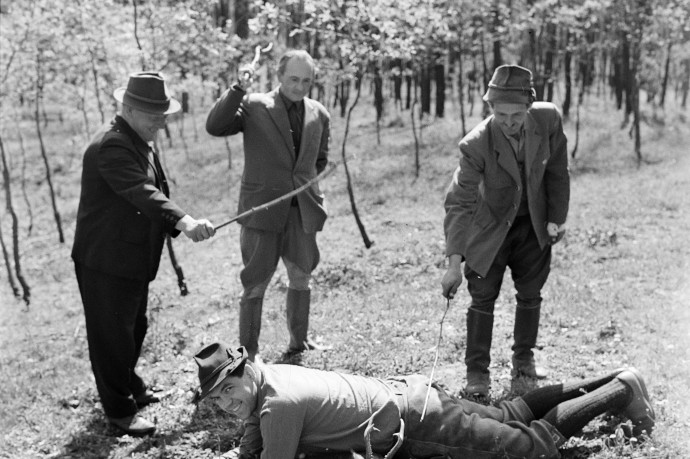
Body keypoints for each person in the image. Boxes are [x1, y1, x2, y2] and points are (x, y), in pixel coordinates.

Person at [193, 341, 655, 459]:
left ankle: (621, 390)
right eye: (217, 399)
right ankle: (614, 377)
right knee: (508, 413)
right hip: (408, 393)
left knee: (534, 447)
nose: (226, 403)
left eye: (229, 389)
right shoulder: (268, 378)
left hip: (416, 421)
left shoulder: (279, 406)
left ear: (247, 371)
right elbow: (253, 437)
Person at [72, 72, 216, 436]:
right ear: (129, 109)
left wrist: (178, 222)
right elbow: (140, 191)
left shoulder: (138, 139)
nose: (162, 124)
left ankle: (129, 386)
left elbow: (157, 187)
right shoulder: (112, 145)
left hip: (129, 258)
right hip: (105, 260)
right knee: (111, 336)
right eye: (155, 115)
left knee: (134, 327)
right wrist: (184, 221)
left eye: (164, 115)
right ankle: (119, 412)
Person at [441, 64, 570, 397]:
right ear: (490, 108)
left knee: (531, 293)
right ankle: (477, 374)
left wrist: (557, 217)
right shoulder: (475, 145)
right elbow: (459, 203)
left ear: (529, 107)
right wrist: (454, 263)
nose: (509, 122)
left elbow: (557, 171)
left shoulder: (548, 120)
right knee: (482, 298)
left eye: (517, 115)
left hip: (533, 225)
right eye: (501, 115)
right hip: (490, 231)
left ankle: (523, 359)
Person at [206, 50, 330, 363]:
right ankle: (249, 353)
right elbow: (215, 126)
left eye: (306, 80)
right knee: (255, 284)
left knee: (302, 277)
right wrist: (238, 89)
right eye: (293, 79)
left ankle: (298, 343)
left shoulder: (320, 114)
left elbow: (319, 160)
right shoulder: (255, 105)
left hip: (302, 211)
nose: (299, 87)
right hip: (261, 211)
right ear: (279, 76)